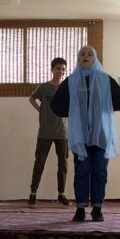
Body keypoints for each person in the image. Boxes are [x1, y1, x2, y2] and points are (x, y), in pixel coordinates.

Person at [51, 45, 120, 222]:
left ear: (94, 59)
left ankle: (97, 209)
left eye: (89, 54)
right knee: (81, 173)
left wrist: (104, 108)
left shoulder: (104, 79)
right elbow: (56, 104)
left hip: (100, 135)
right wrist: (73, 111)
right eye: (82, 54)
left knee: (100, 172)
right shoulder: (71, 81)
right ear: (78, 59)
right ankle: (80, 209)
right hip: (81, 136)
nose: (85, 56)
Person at [28, 57, 70, 207]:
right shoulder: (44, 87)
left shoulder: (66, 88)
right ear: (52, 69)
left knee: (63, 164)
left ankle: (61, 194)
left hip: (62, 132)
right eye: (58, 68)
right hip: (45, 131)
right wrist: (40, 110)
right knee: (39, 163)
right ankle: (33, 193)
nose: (60, 71)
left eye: (63, 69)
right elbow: (31, 99)